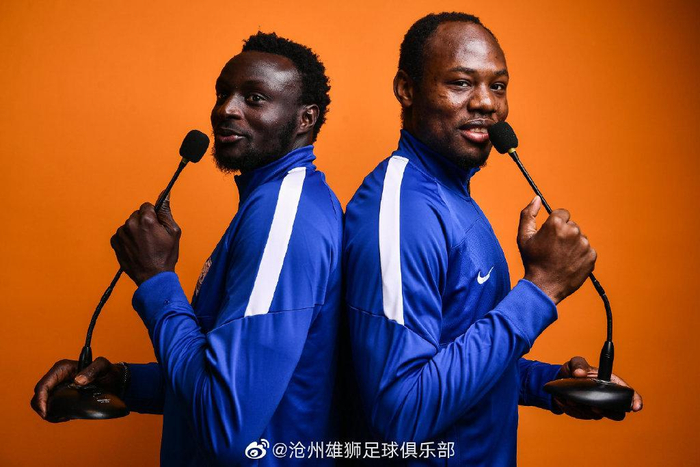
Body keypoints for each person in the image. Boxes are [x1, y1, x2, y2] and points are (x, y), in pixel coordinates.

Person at [342, 12, 643, 465]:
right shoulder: (405, 213)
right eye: (461, 83)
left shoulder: (451, 195)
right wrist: (540, 290)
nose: (486, 102)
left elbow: (451, 359)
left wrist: (546, 385)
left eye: (498, 86)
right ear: (406, 89)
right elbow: (401, 411)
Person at [31, 32, 342, 466]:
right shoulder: (270, 204)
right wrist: (126, 382)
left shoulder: (283, 217)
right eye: (222, 93)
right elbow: (232, 379)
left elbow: (226, 424)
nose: (226, 109)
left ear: (305, 118)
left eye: (254, 98)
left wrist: (156, 279)